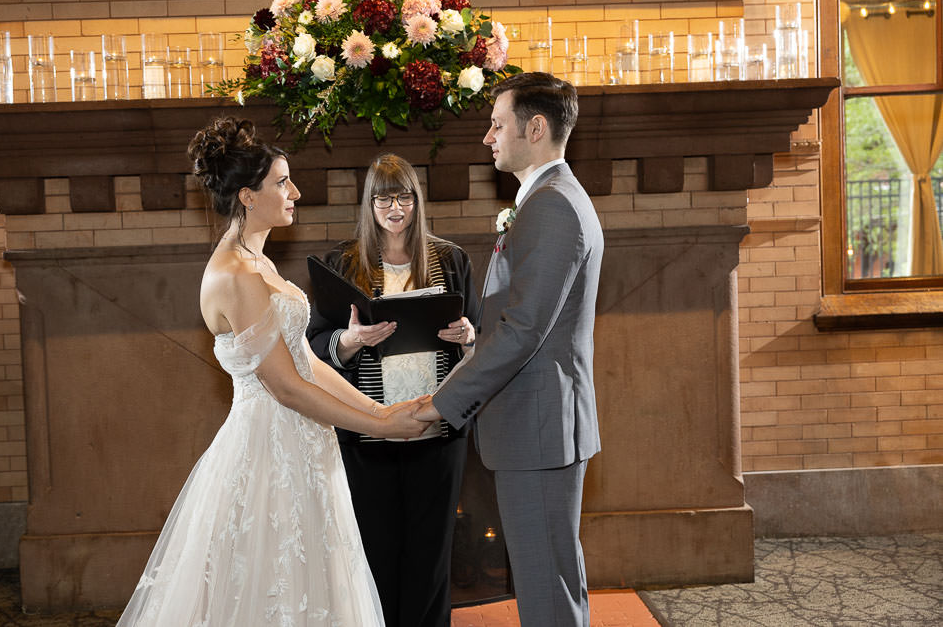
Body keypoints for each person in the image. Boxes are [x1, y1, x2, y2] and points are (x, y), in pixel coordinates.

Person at [116, 117, 429, 627]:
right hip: (268, 449)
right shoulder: (235, 273)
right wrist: (380, 428)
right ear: (246, 196)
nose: (295, 192)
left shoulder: (259, 263)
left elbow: (302, 359)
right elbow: (284, 386)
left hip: (304, 445)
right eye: (282, 182)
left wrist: (378, 408)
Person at [415, 72, 604, 627]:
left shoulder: (552, 206)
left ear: (536, 127)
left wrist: (441, 402)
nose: (487, 137)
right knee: (553, 580)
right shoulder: (551, 198)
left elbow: (524, 330)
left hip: (539, 429)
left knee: (547, 590)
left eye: (497, 124)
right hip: (540, 424)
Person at [306, 153, 480, 627]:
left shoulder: (450, 259)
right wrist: (350, 340)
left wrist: (468, 337)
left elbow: (481, 338)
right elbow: (314, 346)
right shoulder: (342, 263)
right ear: (370, 203)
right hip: (368, 437)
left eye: (404, 197)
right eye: (384, 198)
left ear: (417, 201)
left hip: (437, 431)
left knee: (430, 559)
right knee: (375, 554)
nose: (395, 208)